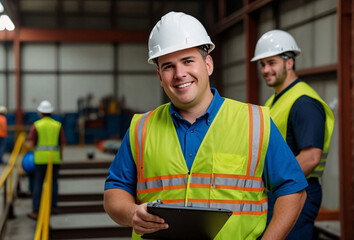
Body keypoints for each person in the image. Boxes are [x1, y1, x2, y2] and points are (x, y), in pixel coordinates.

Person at [104, 11, 308, 240]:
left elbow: (293, 190)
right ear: (160, 76)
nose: (180, 74)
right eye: (168, 66)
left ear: (208, 64)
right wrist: (132, 213)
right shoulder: (141, 128)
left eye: (188, 61)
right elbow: (115, 191)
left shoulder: (254, 122)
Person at [251, 29, 335, 239]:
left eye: (271, 62)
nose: (265, 70)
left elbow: (311, 157)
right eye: (262, 64)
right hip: (280, 191)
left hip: (295, 192)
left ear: (289, 62)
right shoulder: (275, 101)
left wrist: (274, 184)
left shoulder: (304, 102)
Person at [25, 100, 66, 220]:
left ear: (40, 112)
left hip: (40, 160)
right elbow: (62, 144)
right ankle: (53, 207)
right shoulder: (57, 125)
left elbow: (31, 144)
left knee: (38, 184)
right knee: (53, 183)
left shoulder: (36, 125)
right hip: (54, 159)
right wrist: (61, 156)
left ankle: (36, 211)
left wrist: (27, 147)